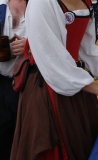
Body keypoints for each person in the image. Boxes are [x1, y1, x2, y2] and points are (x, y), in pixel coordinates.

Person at [10, 0, 98, 160]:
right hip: (48, 87)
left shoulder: (84, 1)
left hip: (76, 83)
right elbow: (53, 57)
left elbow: (87, 46)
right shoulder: (41, 3)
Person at [0, 0, 27, 159]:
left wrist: (28, 47)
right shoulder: (1, 7)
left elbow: (56, 43)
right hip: (2, 84)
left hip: (29, 85)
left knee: (26, 136)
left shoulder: (40, 8)